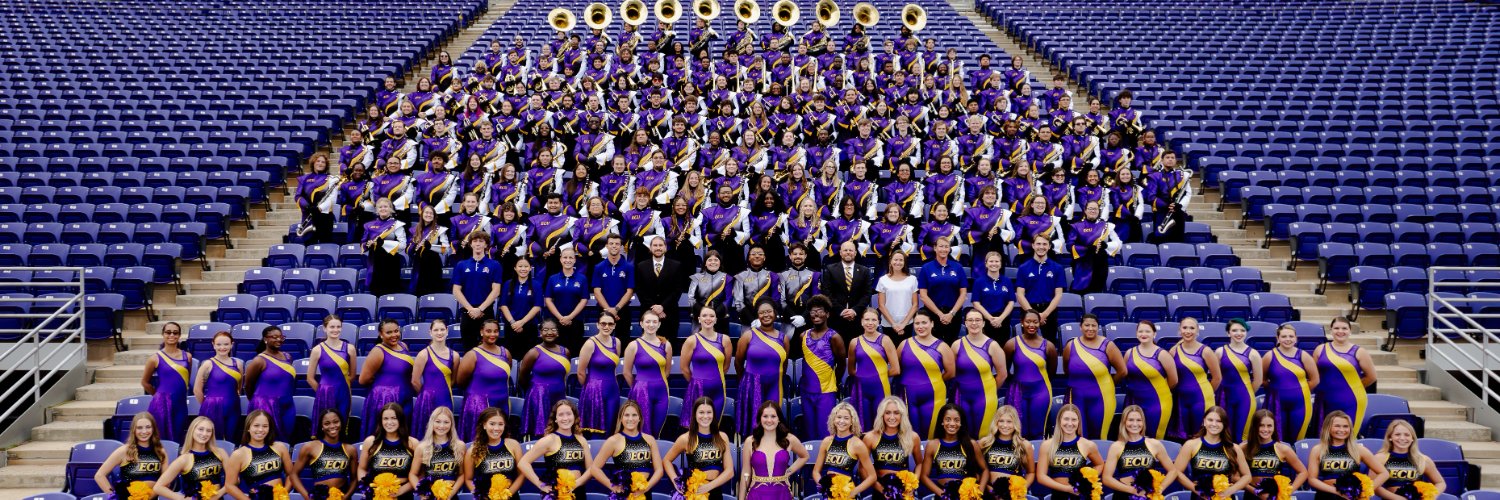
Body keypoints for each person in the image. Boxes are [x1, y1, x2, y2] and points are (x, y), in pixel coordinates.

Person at [1062, 314, 1125, 440]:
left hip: (1101, 398)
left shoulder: (1108, 345)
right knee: (1077, 435)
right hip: (1076, 397)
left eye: (1093, 325)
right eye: (1086, 325)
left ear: (1098, 327)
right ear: (1080, 327)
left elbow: (1122, 371)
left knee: (1100, 435)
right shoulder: (1071, 346)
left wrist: (1108, 385)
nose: (1090, 328)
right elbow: (1066, 370)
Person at [1313, 316, 1376, 439]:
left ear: (1350, 331)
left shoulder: (1359, 351)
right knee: (1324, 436)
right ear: (1331, 330)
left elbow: (1371, 377)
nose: (1340, 331)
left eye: (1344, 328)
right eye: (1336, 328)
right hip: (1324, 401)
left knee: (1346, 437)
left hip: (1350, 401)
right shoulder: (1320, 349)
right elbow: (1313, 374)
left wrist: (1352, 387)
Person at [898, 310, 956, 440]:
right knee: (910, 434)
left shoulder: (942, 347)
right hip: (908, 396)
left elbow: (951, 372)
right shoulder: (904, 345)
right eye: (917, 323)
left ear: (932, 324)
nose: (920, 326)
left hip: (934, 396)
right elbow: (898, 369)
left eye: (924, 323)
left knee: (932, 434)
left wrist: (933, 382)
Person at [1172, 407, 1252, 500]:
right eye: (1210, 420)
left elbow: (1247, 476)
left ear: (1224, 424)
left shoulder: (1233, 448)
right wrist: (1197, 490)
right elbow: (1176, 472)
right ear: (1204, 422)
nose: (1214, 424)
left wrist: (1231, 490)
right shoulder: (1191, 445)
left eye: (1218, 421)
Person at [735, 302, 790, 435]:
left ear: (775, 313)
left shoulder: (784, 338)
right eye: (762, 312)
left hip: (774, 384)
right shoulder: (748, 336)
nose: (766, 315)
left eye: (769, 311)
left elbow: (784, 363)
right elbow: (738, 362)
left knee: (772, 419)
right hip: (752, 384)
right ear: (757, 316)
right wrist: (746, 381)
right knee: (754, 423)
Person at [1306, 411, 1388, 500]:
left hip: (1350, 497)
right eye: (1337, 426)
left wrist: (1366, 490)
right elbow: (1312, 479)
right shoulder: (1318, 450)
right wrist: (1335, 491)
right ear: (1328, 427)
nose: (1341, 430)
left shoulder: (1358, 450)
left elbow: (1384, 473)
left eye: (1345, 426)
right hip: (1326, 495)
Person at [588, 401, 665, 495]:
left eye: (634, 415)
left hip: (644, 493)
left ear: (640, 417)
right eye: (626, 415)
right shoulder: (613, 441)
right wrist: (613, 487)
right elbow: (595, 468)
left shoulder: (650, 440)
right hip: (623, 494)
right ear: (621, 418)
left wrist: (646, 488)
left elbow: (659, 470)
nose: (630, 419)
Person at [738, 401, 810, 500]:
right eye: (765, 416)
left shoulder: (789, 439)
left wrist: (788, 472)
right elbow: (745, 473)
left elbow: (805, 456)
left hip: (782, 495)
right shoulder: (750, 441)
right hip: (757, 495)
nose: (769, 420)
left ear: (779, 419)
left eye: (773, 416)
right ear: (760, 418)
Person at [953, 309, 1008, 438]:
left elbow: (1003, 374)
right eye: (970, 320)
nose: (974, 323)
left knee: (983, 436)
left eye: (977, 320)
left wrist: (989, 390)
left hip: (984, 397)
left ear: (983, 323)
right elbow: (952, 372)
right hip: (962, 396)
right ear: (965, 323)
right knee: (963, 435)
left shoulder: (993, 345)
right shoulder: (956, 345)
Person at [665, 398, 735, 500]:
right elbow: (666, 460)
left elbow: (729, 471)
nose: (705, 416)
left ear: (713, 414)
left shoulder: (722, 437)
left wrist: (709, 486)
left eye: (709, 412)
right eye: (701, 412)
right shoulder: (686, 439)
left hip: (715, 490)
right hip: (695, 492)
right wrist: (676, 480)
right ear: (695, 415)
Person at [456, 319, 513, 442]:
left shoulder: (505, 353)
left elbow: (505, 375)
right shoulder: (472, 355)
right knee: (479, 442)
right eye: (488, 331)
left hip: (501, 403)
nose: (492, 334)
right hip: (479, 406)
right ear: (481, 332)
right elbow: (460, 381)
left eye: (495, 331)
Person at [1004, 311, 1057, 440]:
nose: (1031, 325)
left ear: (1040, 323)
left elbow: (1052, 372)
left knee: (1037, 430)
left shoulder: (1048, 346)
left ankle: (1038, 459)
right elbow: (1005, 370)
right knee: (1018, 430)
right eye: (1028, 321)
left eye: (1035, 322)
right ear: (1022, 322)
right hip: (1018, 391)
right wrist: (1016, 383)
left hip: (1040, 391)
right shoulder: (1012, 344)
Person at [1263, 323, 1320, 442]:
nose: (1287, 339)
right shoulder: (1269, 356)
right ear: (1277, 338)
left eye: (1291, 336)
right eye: (1284, 336)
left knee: (1297, 438)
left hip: (1300, 404)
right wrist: (1276, 390)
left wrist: (1299, 390)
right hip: (1276, 404)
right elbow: (1262, 379)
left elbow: (1315, 379)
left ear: (1296, 338)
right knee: (1277, 437)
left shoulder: (1303, 356)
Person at [1122, 320, 1178, 440]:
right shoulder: (1129, 353)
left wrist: (1158, 392)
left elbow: (1173, 380)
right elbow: (1125, 375)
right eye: (1140, 331)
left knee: (1154, 439)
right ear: (1136, 334)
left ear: (1154, 334)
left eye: (1147, 331)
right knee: (1132, 438)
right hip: (1133, 401)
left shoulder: (1162, 354)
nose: (1144, 334)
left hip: (1157, 403)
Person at [1035, 404, 1105, 500]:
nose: (1070, 423)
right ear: (1059, 420)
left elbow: (1100, 464)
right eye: (1066, 419)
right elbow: (1041, 476)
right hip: (1058, 495)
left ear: (1079, 422)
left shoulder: (1088, 444)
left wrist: (1088, 479)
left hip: (1080, 495)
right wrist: (1067, 489)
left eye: (1074, 420)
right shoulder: (1047, 445)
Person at [680, 305, 734, 429]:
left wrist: (714, 380)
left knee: (714, 427)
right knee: (697, 428)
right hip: (698, 390)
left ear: (716, 319)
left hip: (718, 390)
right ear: (699, 319)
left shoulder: (725, 340)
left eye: (711, 316)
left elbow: (726, 366)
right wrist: (696, 382)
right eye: (704, 315)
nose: (708, 318)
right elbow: (684, 368)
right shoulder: (691, 340)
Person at [360, 320, 414, 436]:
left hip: (405, 397)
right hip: (385, 399)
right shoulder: (378, 351)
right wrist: (383, 388)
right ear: (381, 334)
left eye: (396, 331)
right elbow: (363, 379)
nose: (394, 335)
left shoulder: (403, 346)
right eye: (389, 332)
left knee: (403, 433)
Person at [518, 319, 572, 438]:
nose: (549, 332)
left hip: (558, 396)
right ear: (540, 333)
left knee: (558, 430)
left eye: (553, 329)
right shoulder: (533, 353)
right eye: (545, 330)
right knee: (541, 433)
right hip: (539, 397)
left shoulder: (565, 352)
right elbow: (522, 377)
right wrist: (536, 390)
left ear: (557, 333)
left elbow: (563, 375)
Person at [1171, 318, 1222, 442]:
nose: (1188, 331)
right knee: (1183, 436)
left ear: (1197, 331)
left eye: (1192, 328)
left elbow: (1217, 378)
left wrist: (1207, 394)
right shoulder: (1173, 351)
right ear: (1179, 330)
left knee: (1201, 434)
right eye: (1185, 328)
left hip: (1201, 398)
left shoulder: (1206, 351)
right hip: (1181, 399)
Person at [813, 402, 878, 497]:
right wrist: (822, 484)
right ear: (834, 419)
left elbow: (872, 476)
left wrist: (854, 492)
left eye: (846, 418)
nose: (841, 421)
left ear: (852, 421)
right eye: (839, 417)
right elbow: (815, 471)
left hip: (846, 493)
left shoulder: (857, 444)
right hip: (829, 493)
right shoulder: (827, 441)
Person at [1241, 409, 1309, 499]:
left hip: (1273, 496)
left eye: (1269, 426)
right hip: (1251, 495)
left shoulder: (1283, 449)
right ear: (1254, 426)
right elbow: (1235, 477)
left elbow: (1303, 472)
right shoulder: (1244, 448)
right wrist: (1255, 492)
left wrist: (1287, 492)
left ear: (1274, 427)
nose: (1265, 429)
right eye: (1261, 425)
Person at [226, 410, 294, 500]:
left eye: (265, 426)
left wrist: (284, 493)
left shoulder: (280, 447)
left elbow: (292, 475)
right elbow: (230, 485)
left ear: (269, 428)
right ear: (248, 428)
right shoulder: (239, 454)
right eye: (256, 426)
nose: (261, 430)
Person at [155, 416, 227, 500]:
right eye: (200, 429)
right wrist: (184, 499)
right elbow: (158, 487)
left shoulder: (220, 453)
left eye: (208, 431)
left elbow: (234, 480)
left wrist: (217, 495)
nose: (204, 434)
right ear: (192, 430)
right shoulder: (184, 459)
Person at [453, 232, 503, 351]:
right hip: (467, 312)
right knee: (468, 349)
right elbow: (456, 290)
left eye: (481, 241)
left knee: (489, 349)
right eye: (475, 241)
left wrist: (480, 309)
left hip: (486, 313)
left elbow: (496, 290)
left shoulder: (494, 265)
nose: (478, 244)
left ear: (486, 245)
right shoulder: (461, 265)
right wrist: (471, 309)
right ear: (470, 244)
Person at [289, 410, 356, 499]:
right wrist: (307, 497)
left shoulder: (350, 449)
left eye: (336, 422)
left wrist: (347, 496)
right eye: (327, 423)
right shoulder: (310, 447)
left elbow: (354, 479)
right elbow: (293, 475)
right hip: (319, 496)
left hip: (341, 495)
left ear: (341, 424)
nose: (332, 426)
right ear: (322, 427)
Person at [96, 412, 167, 497]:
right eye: (139, 428)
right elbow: (99, 475)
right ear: (134, 430)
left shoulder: (160, 451)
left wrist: (149, 497)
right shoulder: (124, 451)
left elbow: (166, 481)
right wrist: (114, 496)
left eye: (148, 427)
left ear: (153, 429)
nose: (144, 431)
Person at [919, 403, 983, 496]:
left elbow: (984, 470)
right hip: (942, 492)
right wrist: (942, 494)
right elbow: (924, 476)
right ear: (942, 422)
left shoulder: (971, 444)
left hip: (965, 495)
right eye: (948, 420)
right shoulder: (933, 445)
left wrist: (979, 491)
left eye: (956, 420)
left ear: (961, 423)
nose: (952, 424)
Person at [848, 308, 898, 425]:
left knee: (881, 424)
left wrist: (878, 376)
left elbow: (896, 369)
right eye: (867, 319)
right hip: (861, 390)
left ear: (879, 322)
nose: (870, 323)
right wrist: (864, 376)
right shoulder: (854, 342)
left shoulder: (885, 340)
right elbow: (851, 370)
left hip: (880, 389)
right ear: (861, 322)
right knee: (862, 424)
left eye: (873, 320)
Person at [357, 403, 419, 499]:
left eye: (394, 418)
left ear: (400, 420)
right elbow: (362, 468)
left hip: (403, 494)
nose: (389, 422)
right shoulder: (371, 442)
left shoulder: (412, 443)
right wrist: (366, 488)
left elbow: (419, 474)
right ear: (381, 421)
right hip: (376, 495)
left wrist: (401, 491)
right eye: (385, 418)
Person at [245, 325, 296, 439]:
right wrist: (258, 402)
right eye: (274, 337)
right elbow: (248, 386)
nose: (279, 340)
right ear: (265, 339)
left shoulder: (288, 357)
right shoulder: (259, 360)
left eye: (281, 337)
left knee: (286, 438)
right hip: (266, 405)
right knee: (268, 439)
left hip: (287, 405)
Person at [577, 312, 623, 437]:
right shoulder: (590, 343)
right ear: (597, 325)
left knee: (610, 426)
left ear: (614, 326)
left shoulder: (616, 342)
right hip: (593, 391)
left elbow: (613, 367)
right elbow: (580, 372)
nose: (606, 326)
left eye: (610, 324)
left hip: (612, 389)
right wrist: (589, 389)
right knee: (595, 430)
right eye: (603, 323)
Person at [1218, 319, 1263, 443]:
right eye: (1234, 330)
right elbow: (1216, 376)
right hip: (1224, 397)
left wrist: (1246, 393)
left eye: (1242, 330)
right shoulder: (1220, 352)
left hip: (1245, 398)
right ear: (1228, 333)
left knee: (1242, 435)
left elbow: (1258, 381)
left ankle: (1242, 461)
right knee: (1224, 433)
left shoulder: (1253, 353)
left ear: (1246, 333)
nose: (1239, 333)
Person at [142, 321, 189, 442]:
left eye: (175, 333)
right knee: (160, 439)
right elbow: (145, 382)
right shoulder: (155, 358)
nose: (171, 335)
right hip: (162, 404)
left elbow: (185, 380)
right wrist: (157, 396)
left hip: (181, 404)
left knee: (178, 438)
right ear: (163, 334)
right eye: (168, 332)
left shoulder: (187, 356)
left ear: (179, 335)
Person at [308, 316, 355, 435]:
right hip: (325, 393)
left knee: (342, 426)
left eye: (338, 327)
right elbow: (310, 378)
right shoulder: (317, 350)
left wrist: (344, 389)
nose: (335, 330)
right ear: (325, 328)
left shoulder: (350, 348)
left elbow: (352, 375)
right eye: (332, 327)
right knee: (326, 427)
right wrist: (321, 392)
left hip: (343, 392)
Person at [411, 320, 459, 437]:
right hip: (426, 400)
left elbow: (453, 380)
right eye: (436, 330)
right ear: (430, 332)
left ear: (447, 331)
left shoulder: (455, 356)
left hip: (445, 398)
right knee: (425, 433)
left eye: (442, 329)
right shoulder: (423, 354)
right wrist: (425, 395)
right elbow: (415, 381)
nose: (439, 333)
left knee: (444, 432)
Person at [1016, 234, 1067, 343]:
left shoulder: (1057, 268)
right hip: (1028, 310)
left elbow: (1058, 294)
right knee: (1028, 344)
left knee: (1050, 345)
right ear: (1033, 246)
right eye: (1038, 244)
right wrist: (1032, 314)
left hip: (1049, 311)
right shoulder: (1023, 268)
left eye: (1044, 244)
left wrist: (1044, 314)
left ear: (1049, 247)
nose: (1041, 247)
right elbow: (1020, 294)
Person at [1374, 420, 1443, 500]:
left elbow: (1440, 482)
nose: (1402, 438)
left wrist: (1430, 496)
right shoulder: (1379, 458)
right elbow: (1374, 486)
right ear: (1390, 437)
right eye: (1397, 434)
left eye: (1407, 435)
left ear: (1412, 438)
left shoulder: (1422, 460)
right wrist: (1398, 499)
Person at [464, 407, 524, 499]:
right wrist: (481, 496)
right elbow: (468, 479)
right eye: (492, 424)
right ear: (484, 425)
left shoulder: (514, 445)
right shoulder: (473, 451)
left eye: (500, 424)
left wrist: (507, 495)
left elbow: (522, 475)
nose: (496, 428)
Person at [194, 330, 242, 441]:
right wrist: (208, 405)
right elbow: (197, 390)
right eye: (219, 344)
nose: (222, 347)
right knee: (212, 440)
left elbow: (239, 385)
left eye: (226, 344)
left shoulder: (238, 364)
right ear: (213, 345)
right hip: (212, 407)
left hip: (233, 407)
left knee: (232, 438)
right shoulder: (207, 364)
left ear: (232, 345)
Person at [917, 238, 967, 341]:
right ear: (935, 248)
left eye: (946, 246)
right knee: (933, 347)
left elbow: (963, 294)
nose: (943, 249)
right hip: (933, 314)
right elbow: (923, 295)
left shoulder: (958, 267)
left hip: (953, 315)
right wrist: (940, 314)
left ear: (949, 249)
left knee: (951, 346)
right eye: (941, 246)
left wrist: (951, 314)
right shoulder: (926, 268)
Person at [543, 246, 590, 353]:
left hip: (575, 322)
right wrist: (560, 318)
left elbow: (584, 300)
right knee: (557, 353)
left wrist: (570, 317)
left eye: (570, 258)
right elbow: (548, 300)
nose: (567, 260)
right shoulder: (553, 278)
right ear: (560, 259)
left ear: (574, 260)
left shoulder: (582, 278)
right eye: (565, 257)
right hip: (556, 322)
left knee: (574, 352)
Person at [822, 241, 874, 339]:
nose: (848, 252)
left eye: (851, 250)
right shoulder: (830, 269)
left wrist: (854, 311)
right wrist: (841, 311)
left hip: (857, 319)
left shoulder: (864, 271)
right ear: (840, 252)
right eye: (845, 250)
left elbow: (867, 294)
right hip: (836, 318)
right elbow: (827, 293)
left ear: (855, 253)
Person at [980, 405, 1036, 495]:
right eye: (1001, 421)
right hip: (989, 492)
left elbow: (1031, 472)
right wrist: (989, 489)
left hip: (1012, 494)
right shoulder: (985, 443)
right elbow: (978, 471)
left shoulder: (1024, 445)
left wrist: (1019, 491)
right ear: (996, 422)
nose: (1005, 425)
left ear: (1015, 424)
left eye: (1009, 422)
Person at [1068, 200, 1121, 294]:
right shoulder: (1076, 226)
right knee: (1080, 291)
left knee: (1097, 292)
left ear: (1099, 211)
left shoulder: (1106, 226)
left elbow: (1118, 243)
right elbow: (1069, 245)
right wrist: (1086, 249)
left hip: (1100, 263)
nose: (1093, 211)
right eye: (1090, 208)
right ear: (1085, 210)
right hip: (1082, 263)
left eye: (1095, 209)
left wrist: (1106, 245)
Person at [412, 407, 466, 499]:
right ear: (432, 423)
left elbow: (461, 475)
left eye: (446, 422)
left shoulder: (459, 446)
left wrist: (450, 494)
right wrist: (422, 492)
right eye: (438, 421)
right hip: (430, 495)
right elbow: (413, 474)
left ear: (451, 424)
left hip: (450, 496)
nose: (441, 426)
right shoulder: (422, 447)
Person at [635, 236, 685, 327]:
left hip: (669, 314)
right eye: (655, 245)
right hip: (648, 314)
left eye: (660, 245)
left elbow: (677, 290)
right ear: (650, 248)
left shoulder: (676, 265)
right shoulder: (641, 266)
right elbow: (640, 290)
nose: (658, 248)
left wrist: (662, 307)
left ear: (665, 247)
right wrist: (654, 308)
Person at [498, 256, 543, 355]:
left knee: (528, 359)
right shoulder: (508, 284)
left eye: (526, 266)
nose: (523, 269)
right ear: (515, 268)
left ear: (530, 268)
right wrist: (513, 322)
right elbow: (503, 305)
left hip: (530, 327)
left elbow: (537, 306)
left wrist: (522, 322)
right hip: (511, 327)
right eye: (520, 266)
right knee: (511, 358)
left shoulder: (536, 285)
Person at [364, 197, 409, 296]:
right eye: (380, 207)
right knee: (376, 291)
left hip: (391, 261)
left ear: (391, 209)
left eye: (386, 206)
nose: (383, 209)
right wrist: (368, 244)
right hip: (375, 260)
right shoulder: (369, 225)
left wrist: (384, 243)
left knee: (391, 291)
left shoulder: (397, 224)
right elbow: (364, 242)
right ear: (377, 210)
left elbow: (403, 245)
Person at [969, 251, 1017, 342]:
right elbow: (976, 303)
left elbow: (1011, 302)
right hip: (985, 321)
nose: (994, 264)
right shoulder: (979, 282)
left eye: (996, 261)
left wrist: (1001, 318)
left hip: (1003, 321)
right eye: (991, 261)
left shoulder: (1007, 281)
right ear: (986, 264)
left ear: (1001, 264)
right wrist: (990, 319)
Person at [592, 234, 636, 326]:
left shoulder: (629, 267)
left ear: (621, 247)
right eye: (611, 243)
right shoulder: (598, 267)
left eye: (617, 244)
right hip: (603, 311)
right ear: (606, 246)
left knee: (623, 340)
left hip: (623, 311)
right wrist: (609, 311)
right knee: (604, 340)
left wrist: (616, 309)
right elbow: (597, 291)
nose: (614, 246)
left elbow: (629, 291)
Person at [296, 153, 340, 246]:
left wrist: (319, 208)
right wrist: (307, 206)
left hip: (325, 216)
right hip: (309, 215)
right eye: (318, 161)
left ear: (326, 165)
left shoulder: (331, 179)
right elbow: (298, 196)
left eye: (323, 162)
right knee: (309, 243)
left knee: (325, 244)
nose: (320, 163)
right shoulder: (304, 179)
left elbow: (332, 199)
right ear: (313, 163)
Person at [409, 205, 453, 296]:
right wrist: (414, 245)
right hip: (419, 262)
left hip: (433, 262)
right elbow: (408, 249)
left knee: (433, 288)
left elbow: (446, 249)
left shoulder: (440, 230)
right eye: (426, 212)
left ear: (434, 216)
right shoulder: (414, 230)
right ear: (422, 214)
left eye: (431, 213)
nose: (428, 215)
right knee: (419, 288)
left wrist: (431, 247)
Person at [733, 246, 780, 325]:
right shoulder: (740, 276)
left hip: (768, 319)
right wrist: (752, 320)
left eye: (760, 254)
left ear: (764, 257)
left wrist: (766, 316)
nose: (757, 256)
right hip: (747, 321)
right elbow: (739, 302)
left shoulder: (773, 276)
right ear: (748, 257)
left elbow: (775, 300)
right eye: (753, 254)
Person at [876, 251, 919, 339]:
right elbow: (881, 305)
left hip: (907, 323)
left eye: (901, 260)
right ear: (891, 261)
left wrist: (904, 324)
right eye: (895, 260)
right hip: (888, 324)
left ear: (904, 262)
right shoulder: (883, 280)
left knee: (905, 351)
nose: (898, 262)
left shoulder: (912, 279)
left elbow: (915, 305)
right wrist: (893, 324)